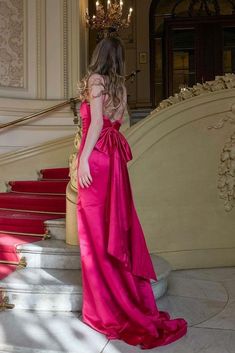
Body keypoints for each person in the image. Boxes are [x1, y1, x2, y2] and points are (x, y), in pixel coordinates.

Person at [76, 35, 188, 350]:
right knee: (114, 230)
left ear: (98, 56)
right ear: (120, 60)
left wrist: (83, 158)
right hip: (114, 162)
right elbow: (117, 124)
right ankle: (115, 301)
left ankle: (102, 311)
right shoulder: (121, 89)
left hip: (97, 158)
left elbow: (96, 122)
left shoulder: (95, 80)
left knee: (95, 235)